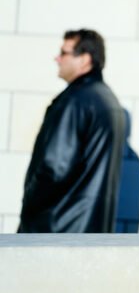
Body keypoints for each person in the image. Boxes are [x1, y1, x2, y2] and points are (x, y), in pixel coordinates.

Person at [18, 29, 126, 233]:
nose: (57, 59)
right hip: (89, 230)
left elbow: (54, 168)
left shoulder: (74, 101)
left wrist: (28, 208)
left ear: (84, 59)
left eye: (64, 53)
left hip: (58, 229)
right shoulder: (108, 100)